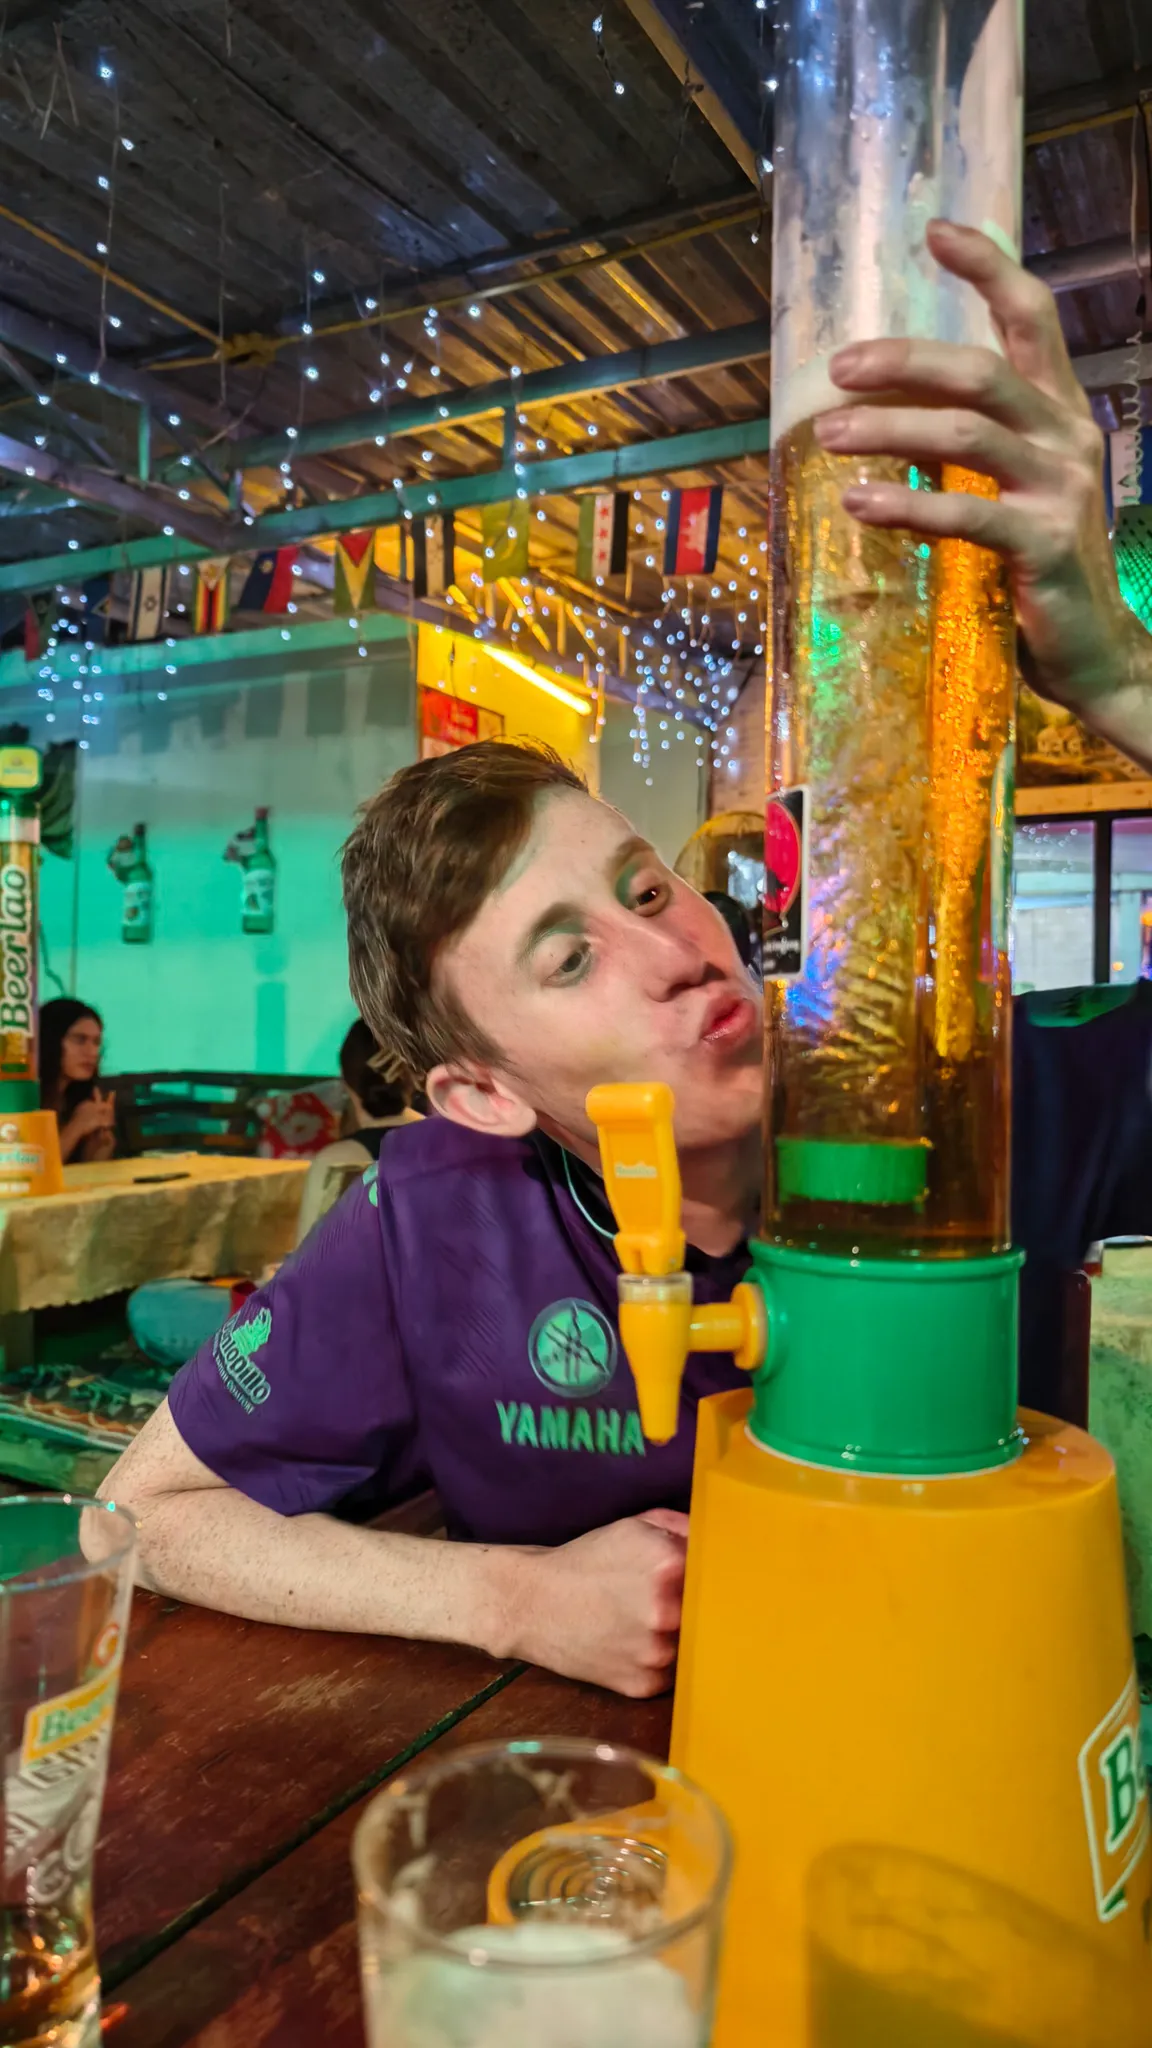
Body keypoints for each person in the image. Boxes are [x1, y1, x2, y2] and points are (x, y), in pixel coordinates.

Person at [101, 225, 1152, 1697]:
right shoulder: (438, 1225)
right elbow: (143, 1516)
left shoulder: (972, 1101)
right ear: (477, 1093)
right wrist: (513, 1599)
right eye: (566, 958)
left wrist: (1116, 669)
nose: (671, 948)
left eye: (647, 884)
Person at [293, 1018, 422, 1243]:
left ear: (345, 1080)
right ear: (413, 1075)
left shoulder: (335, 1161)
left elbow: (305, 1266)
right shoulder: (454, 1142)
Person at [39, 997, 116, 1164]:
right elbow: (31, 1173)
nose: (92, 1052)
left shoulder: (79, 1098)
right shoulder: (21, 1096)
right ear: (50, 1040)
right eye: (80, 1040)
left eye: (97, 1042)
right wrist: (77, 1126)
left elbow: (88, 1178)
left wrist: (99, 1146)